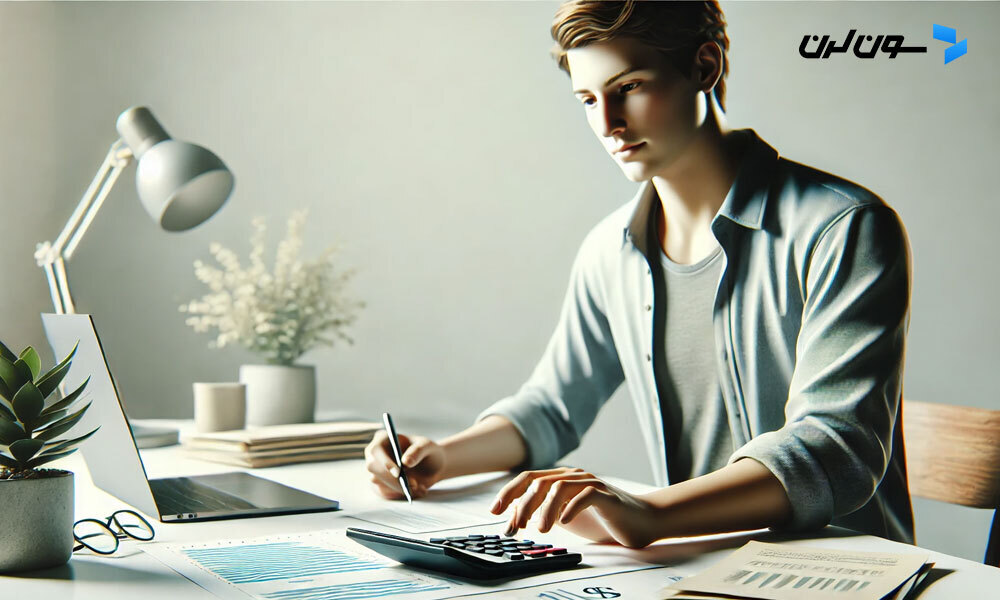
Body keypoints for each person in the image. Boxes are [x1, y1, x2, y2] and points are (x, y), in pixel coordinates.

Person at [364, 0, 913, 549]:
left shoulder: (844, 228)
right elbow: (553, 407)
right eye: (587, 99)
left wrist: (646, 513)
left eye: (628, 87)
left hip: (843, 572)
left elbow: (836, 449)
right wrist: (439, 458)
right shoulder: (612, 250)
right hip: (696, 565)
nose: (607, 124)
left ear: (704, 66)